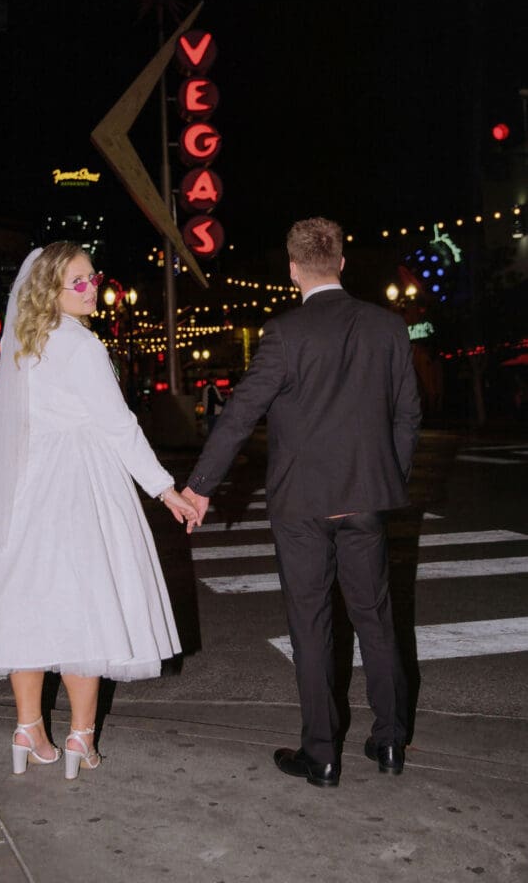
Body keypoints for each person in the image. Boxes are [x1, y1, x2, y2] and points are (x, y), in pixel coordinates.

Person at [182, 217, 421, 787]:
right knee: (377, 620)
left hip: (302, 507)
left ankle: (323, 754)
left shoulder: (284, 334)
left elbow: (241, 413)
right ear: (341, 261)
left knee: (311, 625)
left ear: (292, 269)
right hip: (366, 499)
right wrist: (387, 479)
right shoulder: (387, 327)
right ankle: (390, 742)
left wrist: (199, 488)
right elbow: (407, 416)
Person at [0, 242, 197, 780]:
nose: (92, 289)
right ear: (52, 290)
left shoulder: (25, 343)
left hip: (28, 486)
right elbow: (118, 425)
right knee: (87, 606)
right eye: (78, 281)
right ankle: (81, 738)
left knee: (28, 605)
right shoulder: (82, 347)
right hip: (81, 485)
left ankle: (28, 728)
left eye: (92, 277)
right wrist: (164, 489)